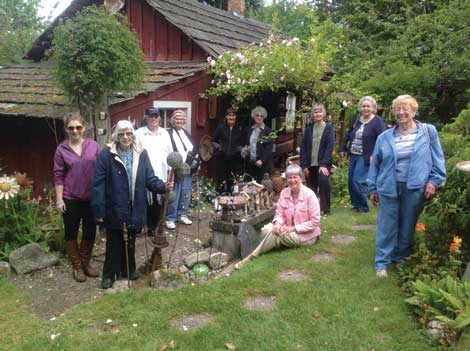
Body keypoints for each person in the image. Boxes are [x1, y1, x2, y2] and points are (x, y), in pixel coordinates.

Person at [368, 95, 446, 278]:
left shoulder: (428, 132)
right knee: (386, 225)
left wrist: (433, 181)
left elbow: (438, 159)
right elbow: (375, 165)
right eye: (398, 109)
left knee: (408, 224)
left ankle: (400, 257)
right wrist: (372, 188)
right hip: (388, 186)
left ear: (414, 111)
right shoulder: (384, 137)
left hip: (415, 187)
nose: (401, 113)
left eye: (405, 109)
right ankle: (382, 262)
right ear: (393, 112)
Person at [91, 120, 173, 289]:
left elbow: (149, 178)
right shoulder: (106, 154)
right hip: (114, 205)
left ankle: (128, 269)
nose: (125, 137)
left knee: (131, 239)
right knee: (114, 241)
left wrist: (163, 186)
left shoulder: (141, 153)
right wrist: (99, 209)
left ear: (133, 136)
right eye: (121, 134)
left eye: (129, 133)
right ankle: (109, 275)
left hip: (134, 205)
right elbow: (98, 184)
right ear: (116, 136)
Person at [235, 164, 320, 269]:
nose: (292, 180)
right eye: (289, 177)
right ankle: (275, 242)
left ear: (301, 178)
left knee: (275, 235)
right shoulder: (284, 193)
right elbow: (279, 213)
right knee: (267, 229)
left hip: (306, 236)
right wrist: (277, 224)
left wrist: (292, 229)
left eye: (295, 177)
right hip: (286, 228)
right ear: (286, 179)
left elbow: (315, 222)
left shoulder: (309, 195)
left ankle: (251, 257)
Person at [54, 112, 100, 282]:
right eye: (71, 128)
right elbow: (58, 176)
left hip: (91, 199)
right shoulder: (61, 150)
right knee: (71, 233)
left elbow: (101, 171)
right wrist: (59, 200)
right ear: (66, 129)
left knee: (90, 232)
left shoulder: (94, 146)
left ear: (84, 128)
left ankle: (86, 263)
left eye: (78, 127)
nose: (75, 130)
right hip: (70, 198)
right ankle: (77, 267)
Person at [340, 96, 385, 213]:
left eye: (368, 106)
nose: (365, 108)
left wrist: (375, 154)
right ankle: (356, 204)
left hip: (366, 156)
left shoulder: (377, 121)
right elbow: (348, 134)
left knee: (358, 180)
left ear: (373, 108)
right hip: (353, 154)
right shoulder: (356, 119)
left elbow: (382, 139)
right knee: (350, 181)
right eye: (363, 106)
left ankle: (363, 206)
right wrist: (342, 148)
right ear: (360, 107)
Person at [135, 107, 173, 236]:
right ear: (146, 117)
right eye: (151, 116)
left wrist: (170, 172)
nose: (153, 118)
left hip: (160, 172)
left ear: (159, 118)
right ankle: (138, 226)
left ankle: (152, 227)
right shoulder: (138, 133)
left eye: (156, 116)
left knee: (157, 202)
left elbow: (170, 153)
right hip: (143, 173)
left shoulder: (165, 133)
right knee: (141, 200)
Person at [300, 103, 335, 215]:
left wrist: (324, 164)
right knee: (311, 186)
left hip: (323, 163)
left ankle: (326, 209)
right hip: (310, 164)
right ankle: (313, 209)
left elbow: (329, 147)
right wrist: (304, 166)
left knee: (323, 181)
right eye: (315, 112)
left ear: (323, 113)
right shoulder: (309, 129)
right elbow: (303, 148)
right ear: (313, 114)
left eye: (320, 112)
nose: (318, 114)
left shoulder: (328, 128)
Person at [166, 110, 194, 229]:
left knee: (186, 191)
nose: (179, 121)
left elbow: (191, 148)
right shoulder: (168, 133)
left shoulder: (186, 133)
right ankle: (170, 218)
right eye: (177, 119)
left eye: (181, 119)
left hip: (187, 167)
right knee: (175, 193)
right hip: (175, 167)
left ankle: (183, 214)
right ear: (173, 120)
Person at [213, 107, 243, 193]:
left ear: (235, 117)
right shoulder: (221, 127)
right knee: (221, 179)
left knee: (231, 179)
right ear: (226, 117)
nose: (231, 118)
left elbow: (243, 142)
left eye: (233, 116)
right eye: (229, 116)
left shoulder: (239, 128)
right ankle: (220, 198)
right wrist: (220, 147)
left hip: (234, 158)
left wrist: (239, 149)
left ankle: (231, 199)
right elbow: (213, 140)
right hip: (221, 157)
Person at [241, 106, 273, 182]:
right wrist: (245, 150)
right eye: (257, 115)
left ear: (264, 117)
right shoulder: (249, 129)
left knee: (262, 186)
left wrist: (261, 160)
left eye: (261, 116)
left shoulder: (268, 131)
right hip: (251, 163)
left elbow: (269, 148)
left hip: (263, 164)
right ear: (254, 116)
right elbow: (246, 143)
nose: (259, 117)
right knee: (252, 186)